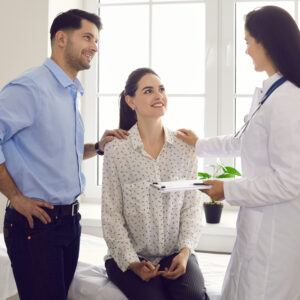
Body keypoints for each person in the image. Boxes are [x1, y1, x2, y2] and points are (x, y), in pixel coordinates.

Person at [0, 9, 127, 300]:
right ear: (61, 38)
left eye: (96, 40)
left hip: (69, 222)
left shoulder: (69, 91)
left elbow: (57, 153)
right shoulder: (31, 87)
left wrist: (97, 147)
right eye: (87, 37)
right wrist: (17, 198)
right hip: (37, 225)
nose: (94, 46)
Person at [176, 6, 300, 300]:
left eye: (247, 42)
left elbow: (291, 181)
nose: (245, 51)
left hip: (275, 233)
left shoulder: (288, 101)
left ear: (265, 42)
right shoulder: (270, 93)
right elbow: (244, 141)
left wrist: (227, 189)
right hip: (255, 226)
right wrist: (199, 144)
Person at [101, 68, 208, 300]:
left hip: (175, 254)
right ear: (131, 101)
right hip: (131, 257)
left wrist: (184, 253)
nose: (158, 95)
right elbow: (111, 216)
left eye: (161, 89)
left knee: (192, 296)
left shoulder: (185, 148)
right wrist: (132, 263)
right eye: (148, 91)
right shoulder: (116, 151)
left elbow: (191, 208)